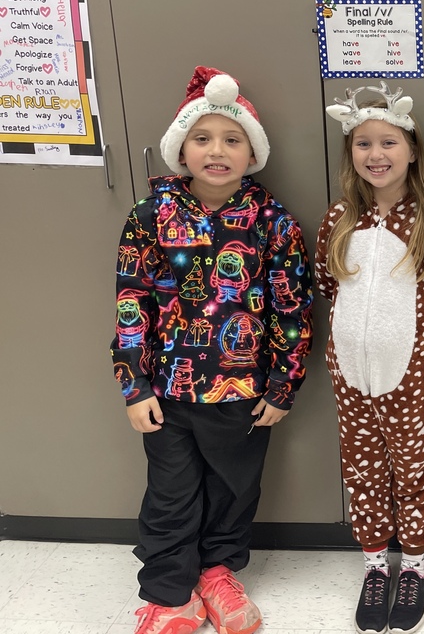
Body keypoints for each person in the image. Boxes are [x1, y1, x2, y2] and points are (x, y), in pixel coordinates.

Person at [112, 66, 314, 634]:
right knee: (170, 494)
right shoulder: (149, 217)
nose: (217, 151)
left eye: (232, 140)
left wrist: (283, 385)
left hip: (245, 393)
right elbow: (132, 304)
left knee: (233, 491)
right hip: (167, 391)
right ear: (181, 149)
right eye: (202, 139)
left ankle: (218, 573)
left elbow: (293, 311)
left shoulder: (274, 223)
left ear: (252, 152)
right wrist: (133, 386)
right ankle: (167, 593)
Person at [315, 83, 424, 634]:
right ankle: (375, 562)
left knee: (412, 471)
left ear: (411, 151)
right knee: (361, 470)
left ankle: (416, 563)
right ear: (350, 153)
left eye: (387, 143)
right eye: (363, 144)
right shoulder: (338, 217)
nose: (375, 155)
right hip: (350, 378)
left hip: (410, 379)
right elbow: (328, 288)